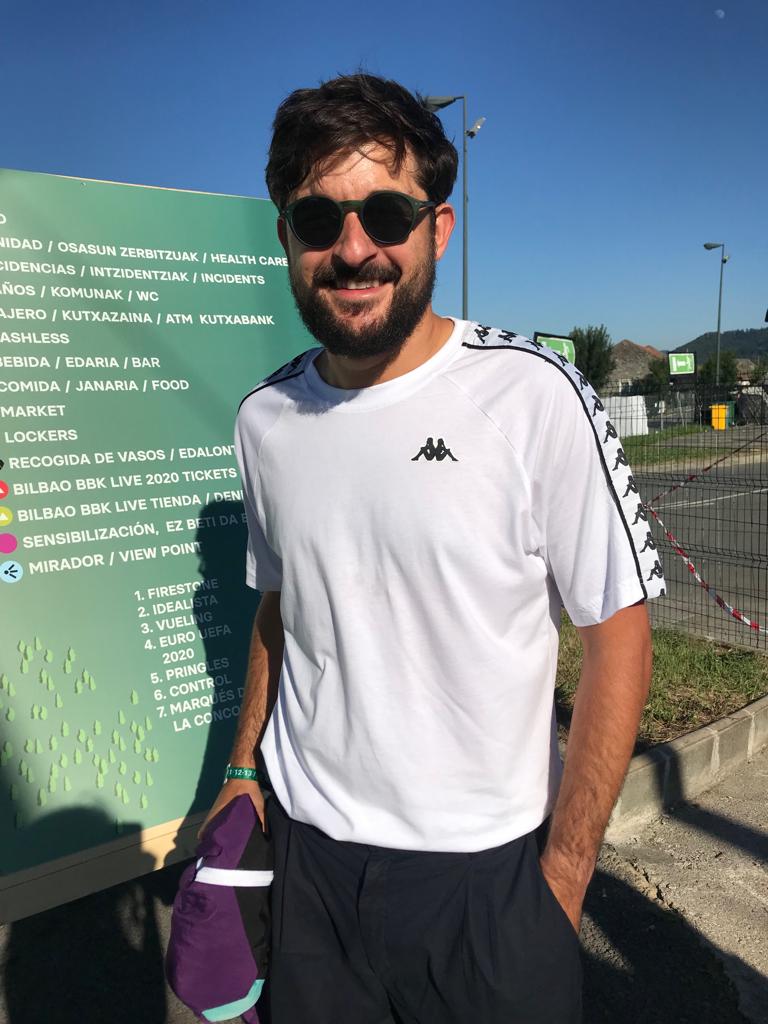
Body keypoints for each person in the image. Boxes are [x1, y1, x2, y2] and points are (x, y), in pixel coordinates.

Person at [200, 73, 665, 1023]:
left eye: (385, 211)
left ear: (437, 230)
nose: (355, 246)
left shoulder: (534, 396)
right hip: (312, 867)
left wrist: (562, 885)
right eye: (320, 218)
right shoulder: (265, 420)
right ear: (286, 236)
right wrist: (243, 771)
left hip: (487, 884)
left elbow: (618, 632)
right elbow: (281, 605)